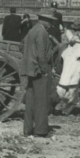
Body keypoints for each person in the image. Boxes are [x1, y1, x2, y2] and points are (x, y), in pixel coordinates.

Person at [22, 8, 54, 137]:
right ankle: (40, 131)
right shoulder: (42, 32)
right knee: (41, 102)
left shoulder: (32, 30)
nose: (51, 24)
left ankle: (28, 129)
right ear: (44, 20)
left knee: (30, 101)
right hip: (39, 71)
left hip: (31, 70)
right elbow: (41, 54)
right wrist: (45, 70)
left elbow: (23, 45)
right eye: (50, 21)